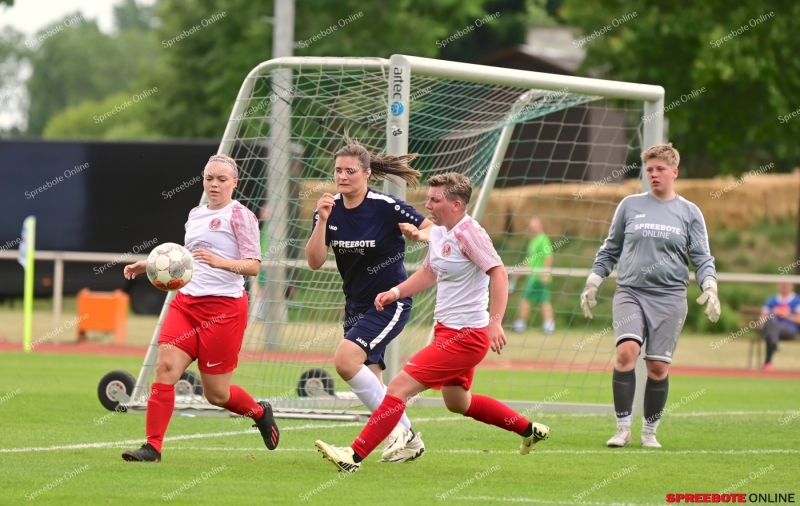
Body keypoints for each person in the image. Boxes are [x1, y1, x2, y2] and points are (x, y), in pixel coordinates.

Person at [314, 172, 550, 473]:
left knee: (397, 387)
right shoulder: (440, 232)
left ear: (456, 204)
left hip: (466, 336)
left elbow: (499, 273)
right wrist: (395, 292)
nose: (427, 204)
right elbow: (429, 272)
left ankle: (354, 456)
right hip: (446, 331)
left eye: (435, 200)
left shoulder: (470, 233)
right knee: (458, 402)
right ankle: (528, 429)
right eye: (428, 197)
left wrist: (496, 323)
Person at [120, 154, 280, 462]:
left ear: (235, 182)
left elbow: (253, 266)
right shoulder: (195, 213)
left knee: (216, 394)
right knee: (165, 368)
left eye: (222, 179)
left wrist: (221, 262)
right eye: (209, 178)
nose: (215, 184)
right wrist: (150, 265)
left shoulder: (241, 215)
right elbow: (188, 257)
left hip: (224, 311)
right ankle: (153, 448)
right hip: (186, 304)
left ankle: (260, 413)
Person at [580, 143, 719, 449]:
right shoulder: (630, 205)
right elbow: (610, 249)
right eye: (650, 169)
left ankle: (649, 432)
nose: (654, 175)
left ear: (674, 172)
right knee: (626, 353)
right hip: (631, 292)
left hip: (670, 297)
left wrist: (710, 285)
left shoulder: (689, 212)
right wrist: (594, 279)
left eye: (660, 169)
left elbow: (702, 256)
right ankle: (622, 428)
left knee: (657, 367)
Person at [305, 133, 432, 462]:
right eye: (338, 171)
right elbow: (315, 261)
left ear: (366, 173)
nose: (342, 177)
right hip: (356, 305)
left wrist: (418, 234)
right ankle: (408, 438)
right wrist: (321, 220)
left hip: (389, 301)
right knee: (370, 378)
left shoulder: (384, 206)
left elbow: (433, 228)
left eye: (350, 171)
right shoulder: (329, 209)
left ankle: (399, 432)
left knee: (345, 361)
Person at [511, 217, 556, 334]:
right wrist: (520, 271)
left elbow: (548, 257)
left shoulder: (543, 239)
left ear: (540, 225)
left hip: (538, 277)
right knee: (544, 301)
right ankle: (548, 326)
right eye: (530, 225)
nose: (531, 227)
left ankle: (521, 325)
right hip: (533, 276)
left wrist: (545, 274)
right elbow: (530, 260)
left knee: (526, 300)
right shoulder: (533, 241)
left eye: (534, 225)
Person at [759, 282, 800, 370]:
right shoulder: (772, 300)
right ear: (778, 286)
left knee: (770, 332)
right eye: (782, 285)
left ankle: (767, 363)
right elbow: (762, 318)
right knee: (771, 319)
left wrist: (787, 315)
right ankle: (774, 342)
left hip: (788, 329)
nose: (784, 287)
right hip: (771, 327)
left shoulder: (797, 300)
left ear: (791, 286)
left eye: (786, 285)